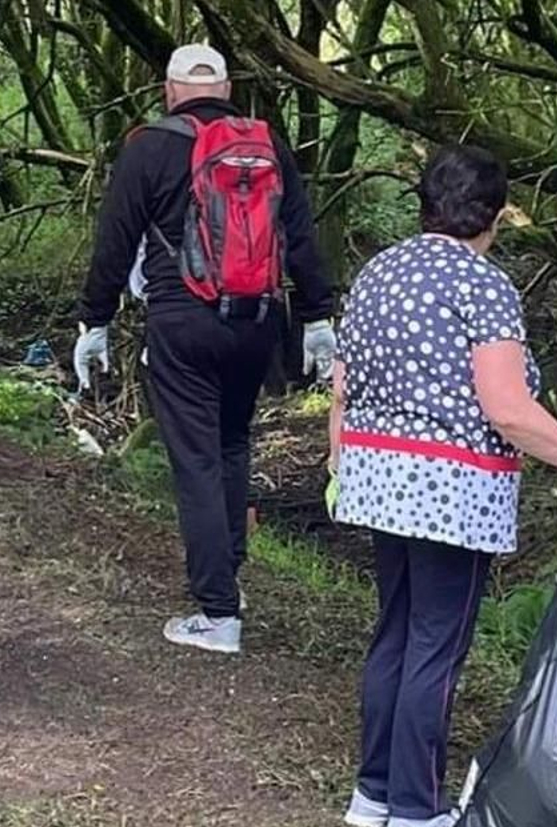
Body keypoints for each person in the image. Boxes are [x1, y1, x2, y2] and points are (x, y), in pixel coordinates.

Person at [327, 145, 557, 827]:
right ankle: (414, 813)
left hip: (375, 477)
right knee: (436, 646)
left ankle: (371, 793)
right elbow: (508, 409)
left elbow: (343, 386)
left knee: (396, 632)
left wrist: (340, 463)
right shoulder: (483, 284)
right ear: (495, 214)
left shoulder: (378, 271)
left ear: (425, 203)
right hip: (450, 488)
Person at [74, 44, 336, 654]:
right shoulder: (267, 145)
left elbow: (115, 241)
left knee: (194, 459)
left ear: (170, 91)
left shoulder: (150, 147)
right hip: (259, 324)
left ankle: (218, 614)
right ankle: (229, 583)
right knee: (232, 443)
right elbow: (300, 237)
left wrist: (94, 321)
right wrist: (320, 314)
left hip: (183, 322)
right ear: (226, 87)